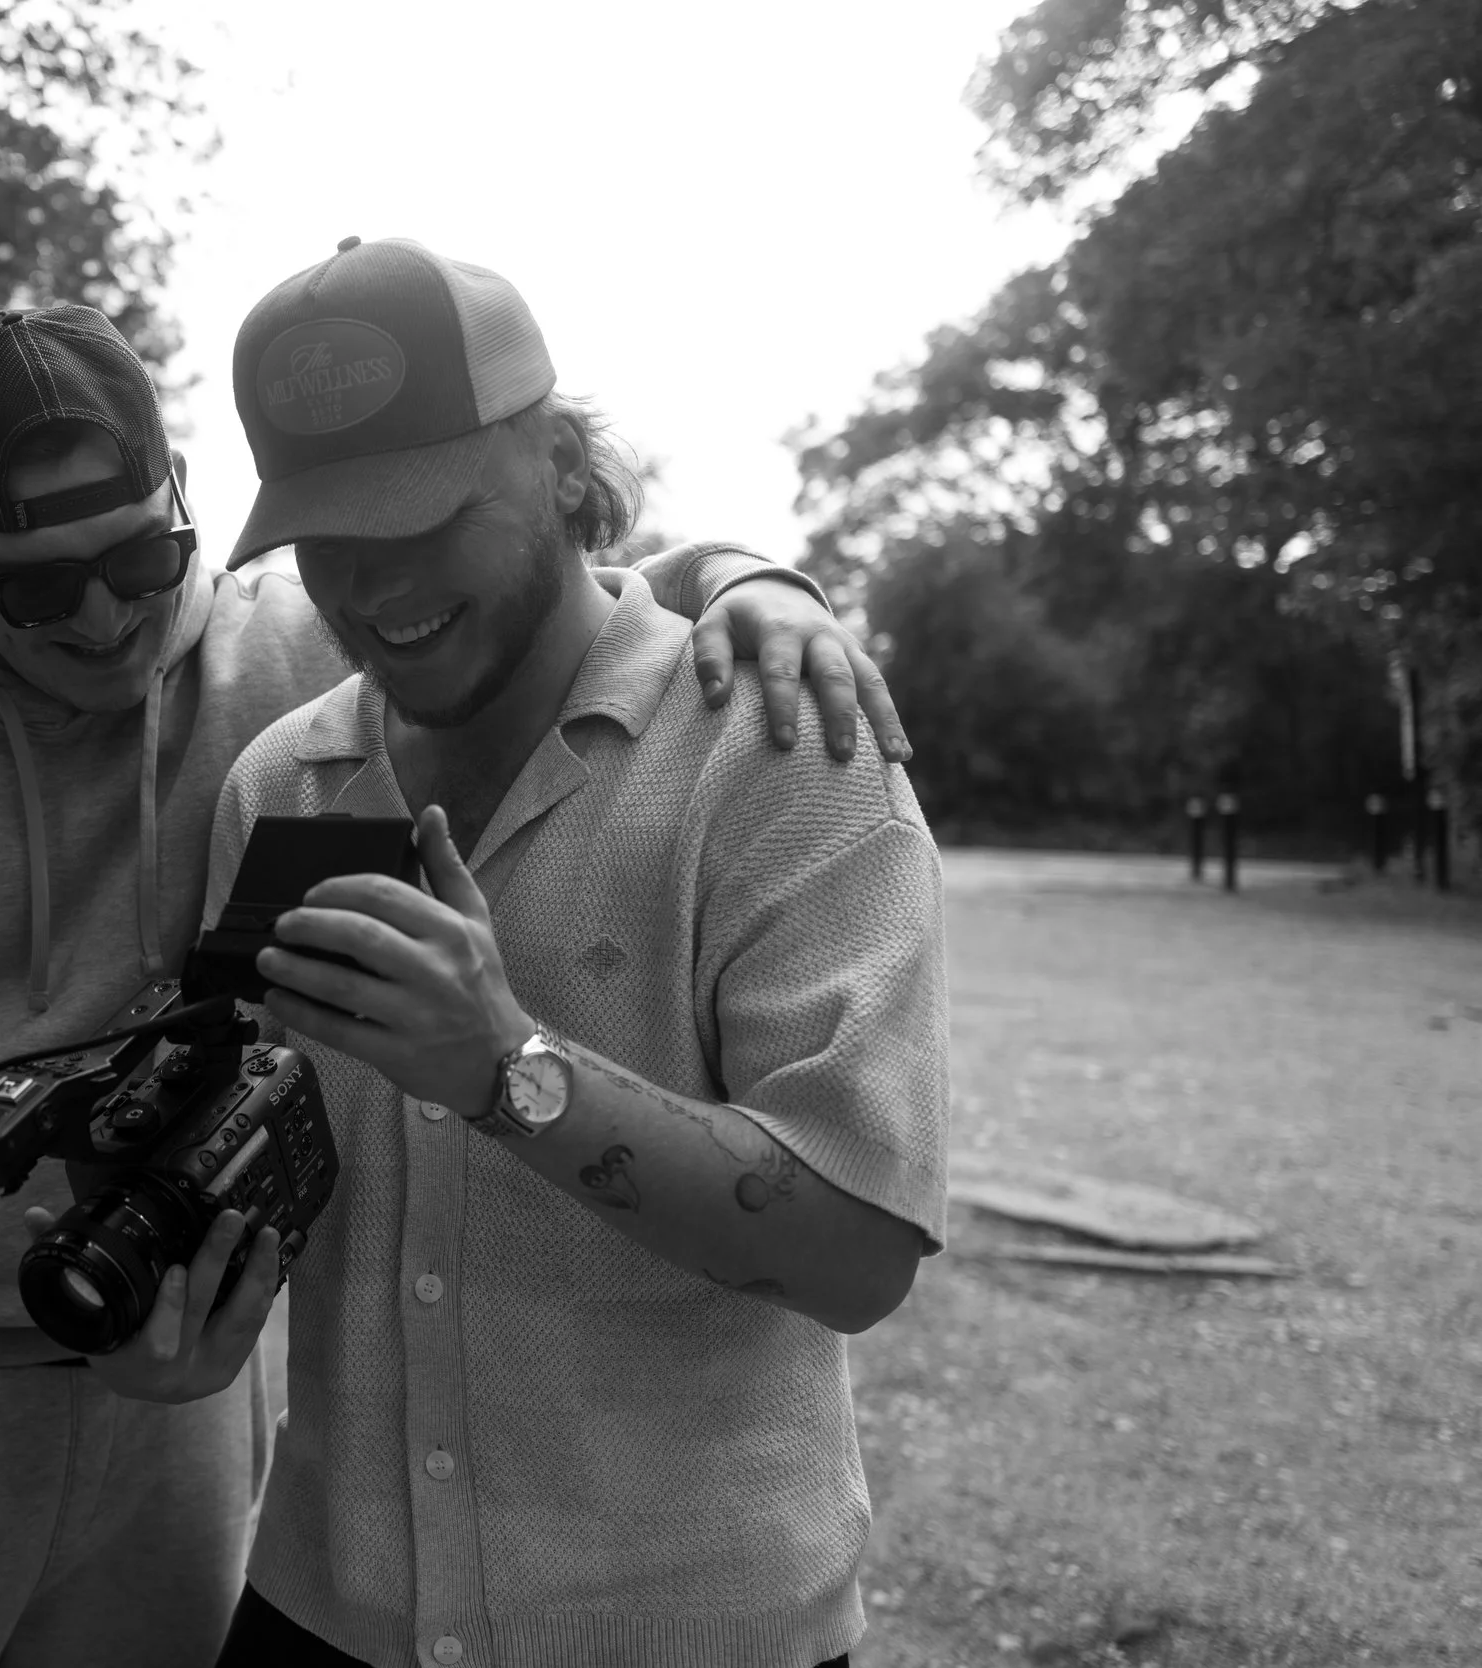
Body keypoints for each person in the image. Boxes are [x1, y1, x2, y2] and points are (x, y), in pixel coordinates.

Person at [0, 298, 914, 1668]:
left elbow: (557, 581)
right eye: (40, 586)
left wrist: (761, 580)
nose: (106, 616)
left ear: (186, 497)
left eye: (140, 555)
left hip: (181, 1399)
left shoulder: (301, 653)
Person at [126, 238, 948, 1668]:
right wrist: (188, 1292)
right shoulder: (287, 785)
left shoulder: (777, 753)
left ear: (568, 465)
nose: (374, 588)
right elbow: (269, 1139)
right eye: (329, 532)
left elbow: (860, 1255)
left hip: (684, 1631)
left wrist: (505, 1068)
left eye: (424, 512)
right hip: (328, 1604)